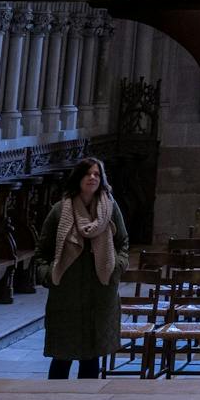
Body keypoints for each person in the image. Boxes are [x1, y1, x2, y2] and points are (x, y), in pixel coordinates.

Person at [33, 156, 127, 379]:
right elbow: (42, 251)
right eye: (88, 174)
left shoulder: (110, 209)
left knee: (91, 357)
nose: (92, 178)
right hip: (67, 294)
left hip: (99, 292)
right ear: (78, 178)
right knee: (61, 358)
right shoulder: (59, 211)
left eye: (96, 174)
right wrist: (49, 276)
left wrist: (117, 267)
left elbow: (123, 242)